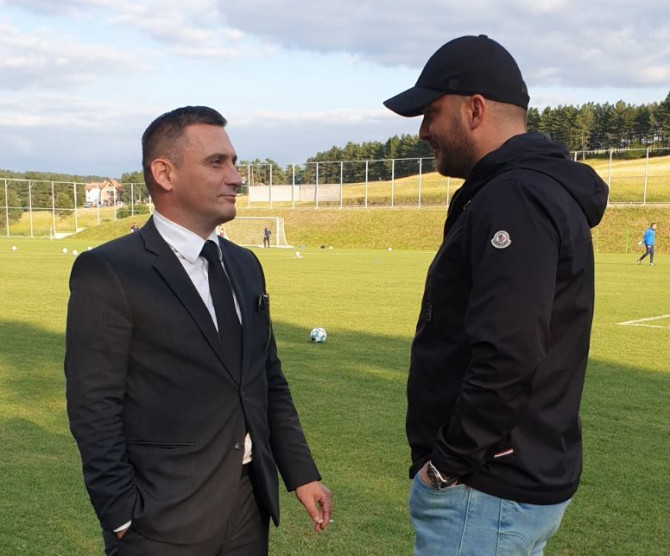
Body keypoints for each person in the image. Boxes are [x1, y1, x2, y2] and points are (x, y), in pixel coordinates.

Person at [65, 106, 332, 556]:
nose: (236, 177)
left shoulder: (245, 265)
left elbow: (266, 379)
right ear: (164, 174)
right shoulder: (110, 271)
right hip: (160, 520)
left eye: (234, 162)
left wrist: (301, 473)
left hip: (247, 509)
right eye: (216, 162)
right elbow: (93, 405)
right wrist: (122, 515)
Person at [384, 35, 608, 555]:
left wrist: (446, 465)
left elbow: (509, 351)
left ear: (475, 110)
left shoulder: (514, 197)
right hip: (508, 483)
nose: (422, 131)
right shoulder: (527, 190)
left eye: (431, 113)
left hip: (486, 491)